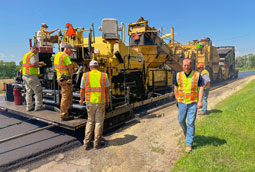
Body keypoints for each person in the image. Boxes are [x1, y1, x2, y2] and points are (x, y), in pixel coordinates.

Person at [174, 58, 204, 153]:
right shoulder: (178, 75)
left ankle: (189, 144)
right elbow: (175, 87)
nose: (186, 67)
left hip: (192, 103)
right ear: (182, 66)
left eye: (188, 65)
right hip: (182, 103)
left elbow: (202, 87)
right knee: (181, 120)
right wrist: (177, 98)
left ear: (191, 65)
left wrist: (200, 101)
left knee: (191, 122)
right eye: (184, 65)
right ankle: (186, 132)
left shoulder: (197, 75)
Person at [79, 60, 110, 150]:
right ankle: (97, 144)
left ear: (90, 67)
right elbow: (107, 90)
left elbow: (82, 90)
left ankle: (86, 143)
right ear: (98, 66)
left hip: (89, 102)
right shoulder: (104, 75)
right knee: (99, 122)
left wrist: (81, 99)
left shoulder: (85, 75)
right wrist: (107, 101)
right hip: (100, 102)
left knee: (90, 121)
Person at [54, 44, 75, 121]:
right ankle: (64, 115)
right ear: (66, 49)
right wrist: (71, 77)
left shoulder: (58, 55)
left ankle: (68, 111)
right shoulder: (65, 56)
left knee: (69, 95)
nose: (72, 53)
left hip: (60, 77)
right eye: (71, 51)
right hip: (65, 79)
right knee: (65, 97)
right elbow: (70, 67)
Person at [22, 46, 46, 111]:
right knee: (38, 91)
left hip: (25, 75)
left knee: (28, 92)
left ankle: (29, 107)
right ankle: (38, 106)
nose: (37, 53)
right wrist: (40, 63)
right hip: (31, 76)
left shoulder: (26, 55)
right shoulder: (32, 55)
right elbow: (33, 63)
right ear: (34, 49)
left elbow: (29, 64)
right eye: (37, 51)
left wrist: (36, 65)